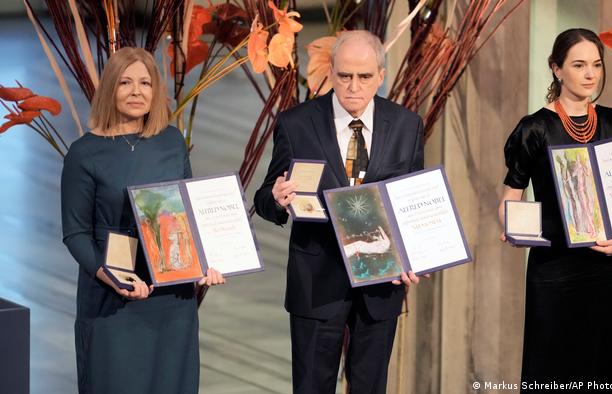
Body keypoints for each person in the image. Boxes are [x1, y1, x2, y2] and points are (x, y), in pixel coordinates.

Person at [254, 30, 424, 394]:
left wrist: (415, 258)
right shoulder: (296, 123)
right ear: (330, 72)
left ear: (381, 75)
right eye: (344, 75)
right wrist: (277, 197)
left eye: (364, 77)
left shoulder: (407, 125)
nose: (353, 86)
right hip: (317, 279)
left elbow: (412, 203)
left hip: (381, 283)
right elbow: (265, 200)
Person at [61, 47, 224, 394]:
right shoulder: (84, 153)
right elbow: (75, 234)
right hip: (113, 297)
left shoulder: (171, 141)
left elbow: (187, 214)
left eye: (146, 82)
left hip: (173, 299)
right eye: (125, 82)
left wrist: (208, 262)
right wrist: (113, 278)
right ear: (109, 89)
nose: (137, 91)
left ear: (156, 90)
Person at [498, 28, 612, 392]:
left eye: (596, 64)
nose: (591, 74)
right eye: (579, 65)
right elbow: (510, 198)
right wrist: (513, 228)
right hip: (553, 270)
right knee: (551, 367)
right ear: (557, 69)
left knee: (601, 365)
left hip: (604, 267)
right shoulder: (533, 129)